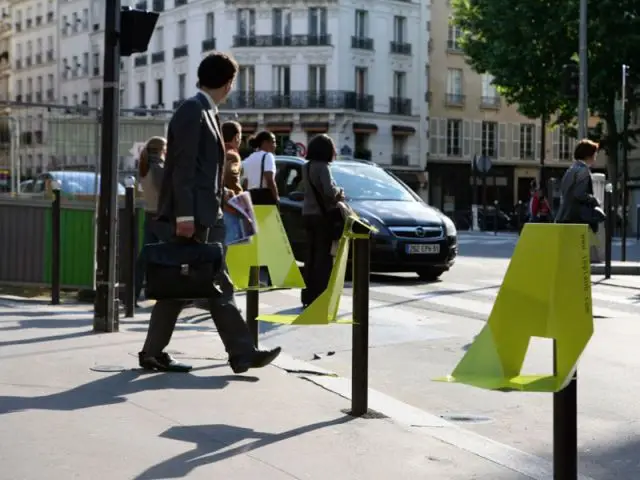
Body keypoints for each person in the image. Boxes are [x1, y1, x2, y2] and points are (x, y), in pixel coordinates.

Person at [138, 51, 281, 373]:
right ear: (228, 83)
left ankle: (153, 353)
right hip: (193, 218)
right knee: (213, 283)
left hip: (203, 214)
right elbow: (184, 169)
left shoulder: (204, 111)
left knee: (183, 286)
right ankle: (242, 353)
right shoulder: (194, 111)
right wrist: (186, 217)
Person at [300, 134, 345, 308]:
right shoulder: (324, 167)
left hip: (307, 214)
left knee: (310, 257)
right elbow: (328, 191)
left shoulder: (306, 166)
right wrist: (339, 192)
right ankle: (321, 295)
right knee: (323, 258)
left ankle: (308, 295)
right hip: (321, 216)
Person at [134, 136, 168, 304]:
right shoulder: (159, 169)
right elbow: (165, 194)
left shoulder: (144, 167)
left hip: (149, 214)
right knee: (168, 255)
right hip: (161, 216)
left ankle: (133, 292)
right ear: (163, 150)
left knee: (146, 256)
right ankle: (164, 292)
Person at [555, 138, 604, 233]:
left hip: (564, 217)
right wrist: (594, 200)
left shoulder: (571, 170)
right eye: (595, 153)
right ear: (589, 155)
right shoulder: (583, 171)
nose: (596, 156)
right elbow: (579, 194)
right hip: (577, 220)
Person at [221, 121, 245, 244]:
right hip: (230, 207)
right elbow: (230, 175)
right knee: (233, 245)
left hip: (216, 207)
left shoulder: (216, 152)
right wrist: (239, 198)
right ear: (236, 137)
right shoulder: (232, 155)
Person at [241, 131, 280, 203]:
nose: (275, 145)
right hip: (264, 198)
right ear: (265, 143)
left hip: (251, 198)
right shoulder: (268, 156)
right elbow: (269, 180)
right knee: (267, 215)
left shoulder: (248, 159)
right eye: (273, 142)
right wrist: (276, 197)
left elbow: (245, 183)